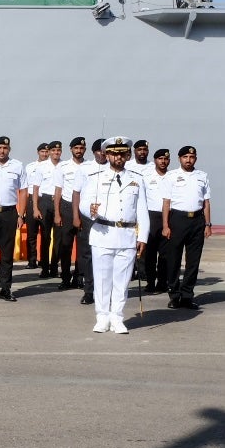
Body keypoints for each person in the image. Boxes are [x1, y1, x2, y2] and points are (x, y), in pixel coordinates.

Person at [79, 136, 149, 334]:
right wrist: (90, 209)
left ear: (127, 155)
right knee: (102, 279)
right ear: (107, 154)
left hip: (126, 235)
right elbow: (83, 203)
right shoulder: (95, 177)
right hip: (103, 232)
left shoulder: (137, 179)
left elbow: (142, 210)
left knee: (122, 280)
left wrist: (142, 236)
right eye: (114, 153)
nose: (118, 157)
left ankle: (117, 317)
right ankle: (102, 317)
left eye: (122, 153)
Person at [161, 145, 212, 310]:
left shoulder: (202, 176)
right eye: (185, 157)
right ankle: (174, 296)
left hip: (197, 220)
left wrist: (207, 224)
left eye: (191, 157)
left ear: (195, 158)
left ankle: (187, 296)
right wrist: (165, 225)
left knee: (193, 261)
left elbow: (206, 202)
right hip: (177, 219)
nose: (188, 160)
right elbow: (166, 203)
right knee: (174, 259)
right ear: (179, 159)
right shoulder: (171, 176)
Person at [0, 136, 26, 301]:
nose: (2, 151)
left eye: (5, 148)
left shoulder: (17, 166)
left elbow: (24, 190)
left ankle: (5, 288)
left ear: (9, 150)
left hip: (10, 213)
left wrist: (21, 214)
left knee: (6, 253)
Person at [73, 138, 107, 305]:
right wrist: (75, 216)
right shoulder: (85, 169)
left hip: (107, 218)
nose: (102, 154)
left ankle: (105, 291)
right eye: (99, 151)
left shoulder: (113, 169)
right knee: (87, 254)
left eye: (105, 151)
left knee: (105, 254)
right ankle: (89, 290)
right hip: (87, 217)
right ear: (94, 152)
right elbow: (76, 193)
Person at [52, 136, 87, 289]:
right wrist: (57, 213)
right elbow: (58, 191)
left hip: (83, 209)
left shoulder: (89, 167)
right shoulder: (63, 167)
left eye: (81, 148)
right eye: (76, 148)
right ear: (71, 149)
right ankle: (65, 277)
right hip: (66, 208)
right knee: (65, 246)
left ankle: (79, 277)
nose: (78, 151)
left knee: (82, 245)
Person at [142, 148, 171, 293]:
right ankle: (150, 282)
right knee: (150, 253)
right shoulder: (146, 177)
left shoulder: (172, 177)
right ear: (155, 160)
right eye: (160, 159)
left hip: (168, 217)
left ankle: (162, 282)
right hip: (151, 217)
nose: (163, 161)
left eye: (166, 159)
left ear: (169, 161)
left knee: (165, 254)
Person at [33, 140, 63, 278]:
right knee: (45, 237)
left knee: (58, 237)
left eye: (58, 150)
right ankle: (44, 268)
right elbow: (35, 188)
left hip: (59, 202)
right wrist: (35, 207)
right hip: (45, 201)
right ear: (49, 152)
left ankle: (54, 267)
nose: (56, 153)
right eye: (53, 151)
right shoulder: (42, 167)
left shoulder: (64, 166)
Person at [23, 143, 49, 269]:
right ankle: (32, 260)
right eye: (42, 151)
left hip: (45, 200)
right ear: (38, 152)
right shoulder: (30, 167)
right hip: (31, 200)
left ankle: (44, 261)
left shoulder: (52, 166)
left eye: (46, 152)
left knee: (45, 234)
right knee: (31, 233)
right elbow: (25, 185)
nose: (45, 154)